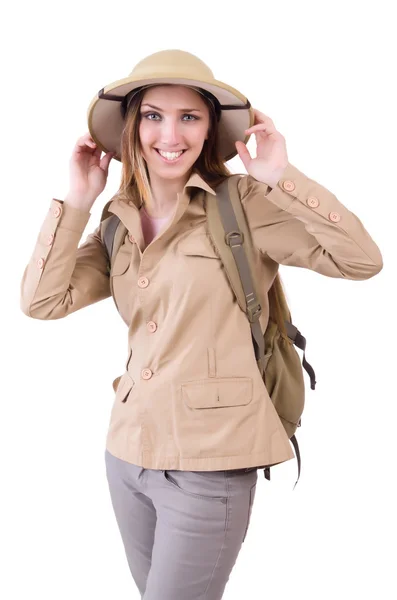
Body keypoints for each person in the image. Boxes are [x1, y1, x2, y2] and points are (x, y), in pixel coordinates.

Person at [20, 49, 383, 599]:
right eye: (153, 116)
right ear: (132, 129)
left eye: (190, 116)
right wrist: (75, 200)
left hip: (209, 464)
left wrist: (283, 177)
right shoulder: (117, 218)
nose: (171, 133)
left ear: (211, 129)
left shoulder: (242, 204)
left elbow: (361, 261)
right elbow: (42, 302)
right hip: (127, 455)